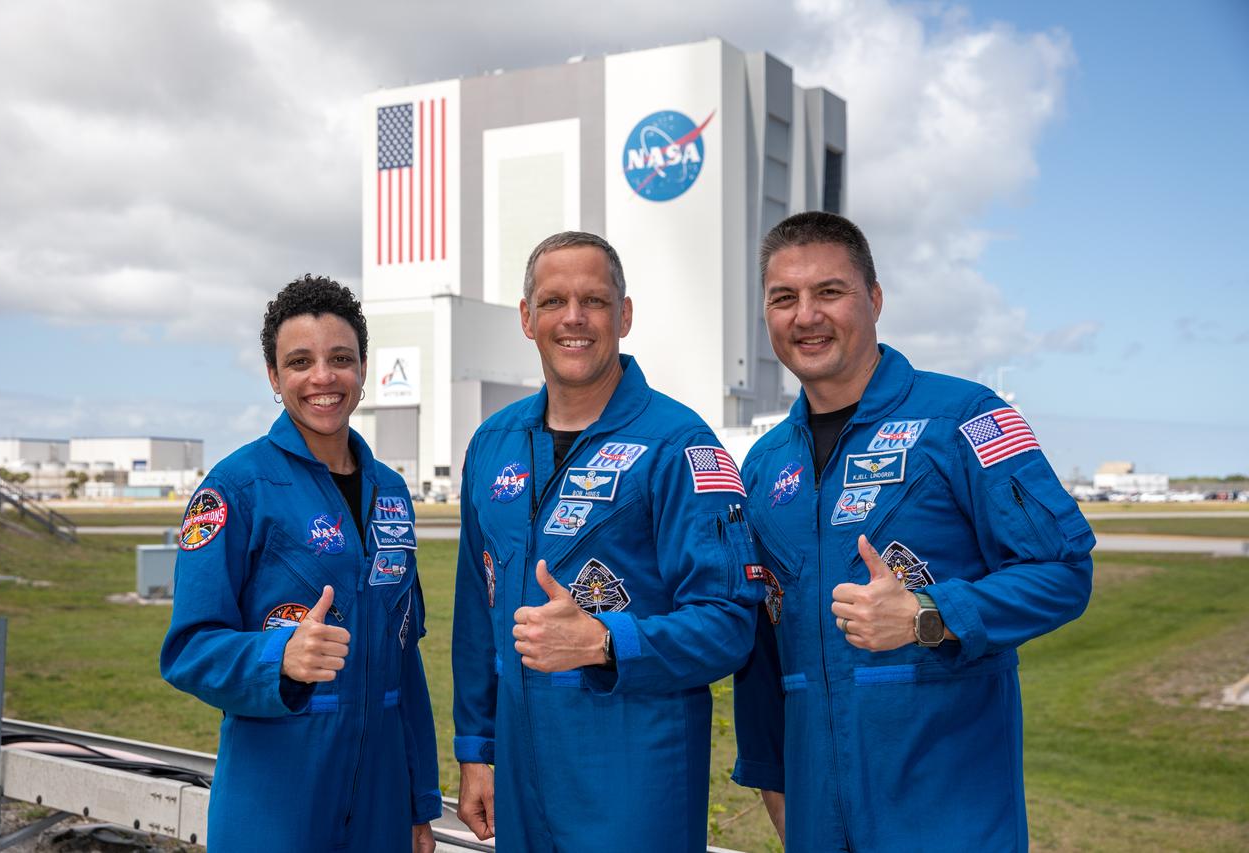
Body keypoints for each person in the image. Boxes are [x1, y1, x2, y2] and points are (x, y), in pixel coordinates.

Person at [732, 212, 1095, 851]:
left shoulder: (967, 417)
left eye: (830, 292)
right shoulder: (762, 468)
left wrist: (930, 613)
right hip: (816, 817)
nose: (805, 315)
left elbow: (1063, 575)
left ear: (873, 299)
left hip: (947, 815)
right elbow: (763, 654)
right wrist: (776, 790)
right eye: (784, 298)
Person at [452, 231, 763, 852]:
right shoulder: (492, 445)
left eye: (593, 300)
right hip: (520, 779)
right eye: (553, 301)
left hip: (634, 783)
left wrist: (604, 641)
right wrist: (476, 751)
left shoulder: (681, 444)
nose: (573, 318)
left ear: (623, 315)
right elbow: (474, 617)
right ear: (526, 318)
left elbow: (729, 623)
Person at [160, 276, 440, 852]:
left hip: (382, 796)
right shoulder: (236, 488)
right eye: (300, 361)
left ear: (363, 370)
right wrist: (277, 656)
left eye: (340, 359)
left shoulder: (391, 491)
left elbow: (403, 655)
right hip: (277, 789)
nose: (323, 377)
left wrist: (419, 803)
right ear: (273, 376)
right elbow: (188, 649)